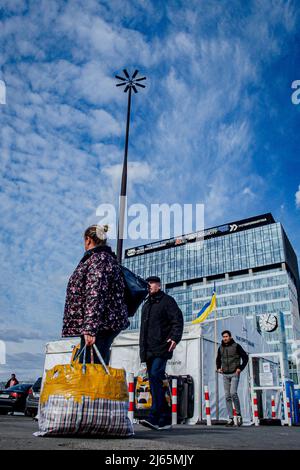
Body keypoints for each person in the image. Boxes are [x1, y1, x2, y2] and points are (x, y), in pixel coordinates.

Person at [62, 224, 129, 365]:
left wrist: (90, 328)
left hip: (100, 324)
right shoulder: (102, 258)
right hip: (100, 322)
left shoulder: (99, 259)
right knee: (92, 368)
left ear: (88, 240)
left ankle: (92, 388)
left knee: (90, 369)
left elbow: (95, 292)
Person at [139, 276, 184, 430]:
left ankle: (154, 417)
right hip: (149, 349)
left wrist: (175, 338)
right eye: (147, 284)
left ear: (158, 285)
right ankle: (164, 418)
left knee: (156, 376)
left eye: (151, 283)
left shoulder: (167, 301)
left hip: (162, 347)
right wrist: (143, 351)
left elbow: (177, 319)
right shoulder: (146, 305)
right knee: (153, 381)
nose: (149, 286)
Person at [216, 330, 249, 427]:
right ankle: (230, 418)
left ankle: (238, 415)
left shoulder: (236, 346)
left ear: (230, 337)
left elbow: (245, 358)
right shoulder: (220, 347)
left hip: (235, 373)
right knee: (227, 396)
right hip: (225, 374)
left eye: (226, 336)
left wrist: (240, 368)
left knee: (233, 393)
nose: (225, 338)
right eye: (223, 337)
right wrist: (218, 368)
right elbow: (218, 359)